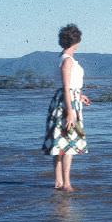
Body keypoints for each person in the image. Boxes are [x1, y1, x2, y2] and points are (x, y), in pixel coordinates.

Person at [42, 24, 91, 191]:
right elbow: (65, 86)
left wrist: (80, 96)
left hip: (69, 99)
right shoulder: (67, 61)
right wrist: (70, 112)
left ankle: (60, 182)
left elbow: (70, 86)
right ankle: (65, 183)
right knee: (67, 143)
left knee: (60, 142)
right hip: (66, 103)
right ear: (76, 41)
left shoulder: (65, 59)